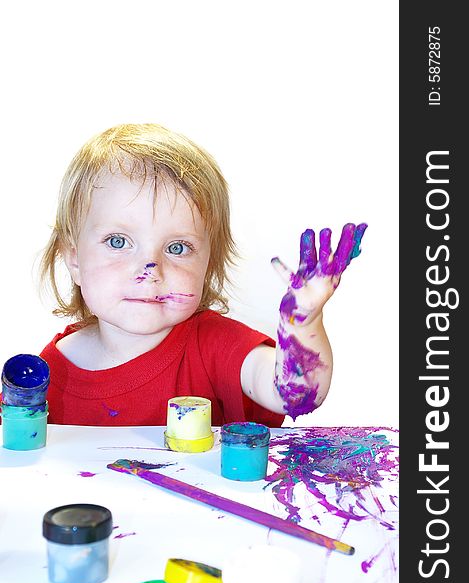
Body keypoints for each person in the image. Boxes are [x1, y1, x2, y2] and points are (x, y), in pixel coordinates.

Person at [38, 123, 366, 427]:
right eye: (118, 241)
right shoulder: (46, 373)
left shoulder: (216, 347)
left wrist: (303, 326)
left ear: (207, 265)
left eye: (178, 248)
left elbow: (294, 394)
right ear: (74, 259)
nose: (150, 270)